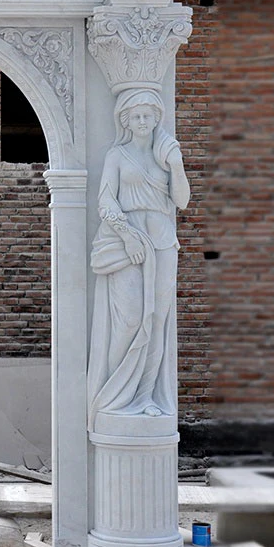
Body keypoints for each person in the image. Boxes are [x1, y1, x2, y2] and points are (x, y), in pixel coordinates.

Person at [88, 88, 190, 427]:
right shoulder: (117, 155)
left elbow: (183, 200)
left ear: (157, 118)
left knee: (157, 321)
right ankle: (116, 395)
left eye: (147, 115)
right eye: (136, 116)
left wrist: (175, 163)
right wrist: (128, 234)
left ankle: (145, 396)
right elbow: (106, 202)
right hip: (128, 242)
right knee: (131, 318)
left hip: (162, 241)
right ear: (126, 121)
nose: (142, 121)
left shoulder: (165, 156)